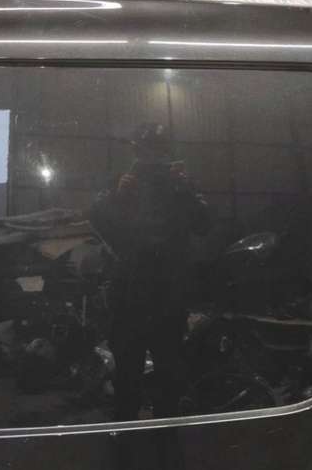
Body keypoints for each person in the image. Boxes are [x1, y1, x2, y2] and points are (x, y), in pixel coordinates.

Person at [89, 122, 210, 421]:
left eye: (158, 152)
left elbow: (204, 224)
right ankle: (127, 428)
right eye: (145, 152)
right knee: (127, 368)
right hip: (129, 292)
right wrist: (118, 196)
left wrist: (185, 191)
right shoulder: (121, 183)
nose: (152, 159)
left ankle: (165, 432)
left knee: (168, 368)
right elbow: (96, 221)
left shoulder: (181, 185)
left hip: (168, 293)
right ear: (135, 152)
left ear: (167, 153)